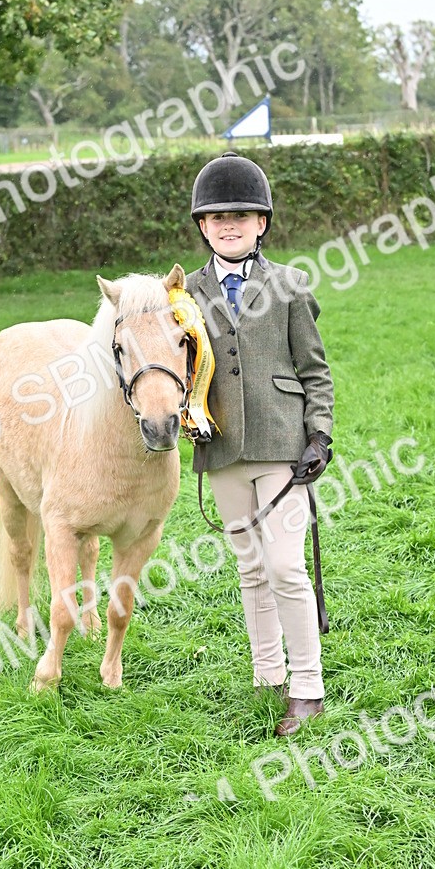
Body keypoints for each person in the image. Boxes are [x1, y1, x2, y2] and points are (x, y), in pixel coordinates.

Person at [183, 151, 334, 736]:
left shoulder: (289, 286)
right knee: (250, 568)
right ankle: (267, 673)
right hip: (220, 447)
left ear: (262, 222)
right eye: (218, 216)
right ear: (202, 225)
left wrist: (319, 431)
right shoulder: (185, 294)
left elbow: (315, 369)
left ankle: (308, 687)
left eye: (242, 215)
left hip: (282, 444)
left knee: (285, 567)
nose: (229, 224)